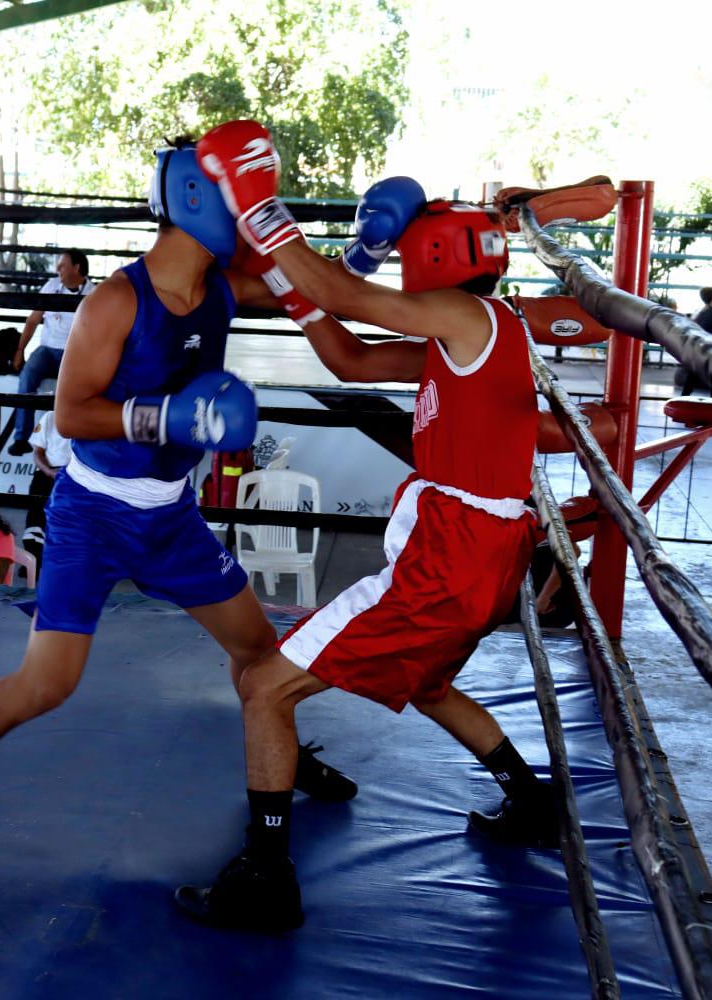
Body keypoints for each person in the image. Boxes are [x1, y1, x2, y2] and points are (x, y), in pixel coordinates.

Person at [0, 141, 355, 875]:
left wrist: (370, 248)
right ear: (200, 202)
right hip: (94, 515)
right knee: (49, 683)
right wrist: (170, 416)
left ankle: (283, 757)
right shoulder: (116, 298)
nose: (249, 216)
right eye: (239, 199)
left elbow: (320, 291)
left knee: (260, 653)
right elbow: (73, 414)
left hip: (172, 518)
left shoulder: (224, 286)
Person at [174, 120, 552, 932]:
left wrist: (258, 206)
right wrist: (301, 291)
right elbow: (348, 357)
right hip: (481, 558)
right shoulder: (481, 334)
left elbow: (347, 297)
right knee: (427, 681)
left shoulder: (461, 316)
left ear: (438, 257)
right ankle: (530, 797)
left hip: (450, 561)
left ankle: (266, 878)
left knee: (265, 688)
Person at [8, 249, 96, 456]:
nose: (58, 269)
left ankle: (77, 438)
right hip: (47, 349)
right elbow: (33, 319)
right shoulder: (51, 285)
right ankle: (21, 437)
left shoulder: (94, 293)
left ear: (77, 268)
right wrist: (20, 350)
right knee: (28, 375)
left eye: (62, 265)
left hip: (76, 354)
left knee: (80, 389)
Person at [22, 404, 71, 570]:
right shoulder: (50, 416)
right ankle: (32, 559)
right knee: (36, 516)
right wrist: (49, 471)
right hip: (47, 473)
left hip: (77, 477)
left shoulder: (92, 417)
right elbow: (37, 452)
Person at [679, 287, 712, 396]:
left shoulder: (698, 313)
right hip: (711, 348)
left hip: (696, 347)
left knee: (692, 375)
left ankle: (684, 397)